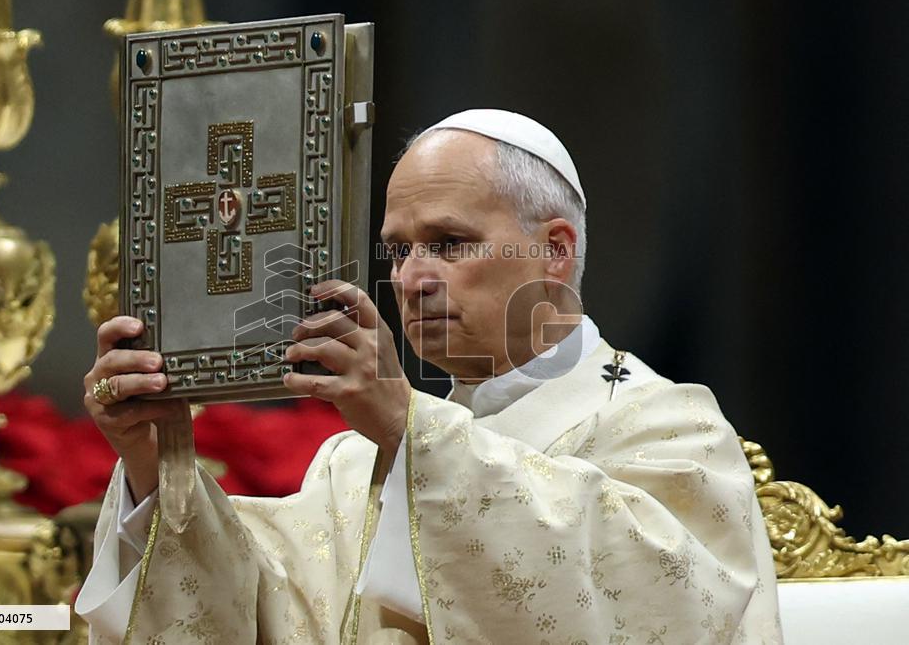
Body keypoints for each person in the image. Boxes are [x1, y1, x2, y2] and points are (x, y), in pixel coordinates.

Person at [76, 109, 782, 643]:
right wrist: (156, 462)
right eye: (398, 250)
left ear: (554, 251)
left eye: (448, 243)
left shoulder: (667, 428)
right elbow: (253, 615)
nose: (411, 279)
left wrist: (406, 425)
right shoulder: (354, 463)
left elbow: (661, 611)